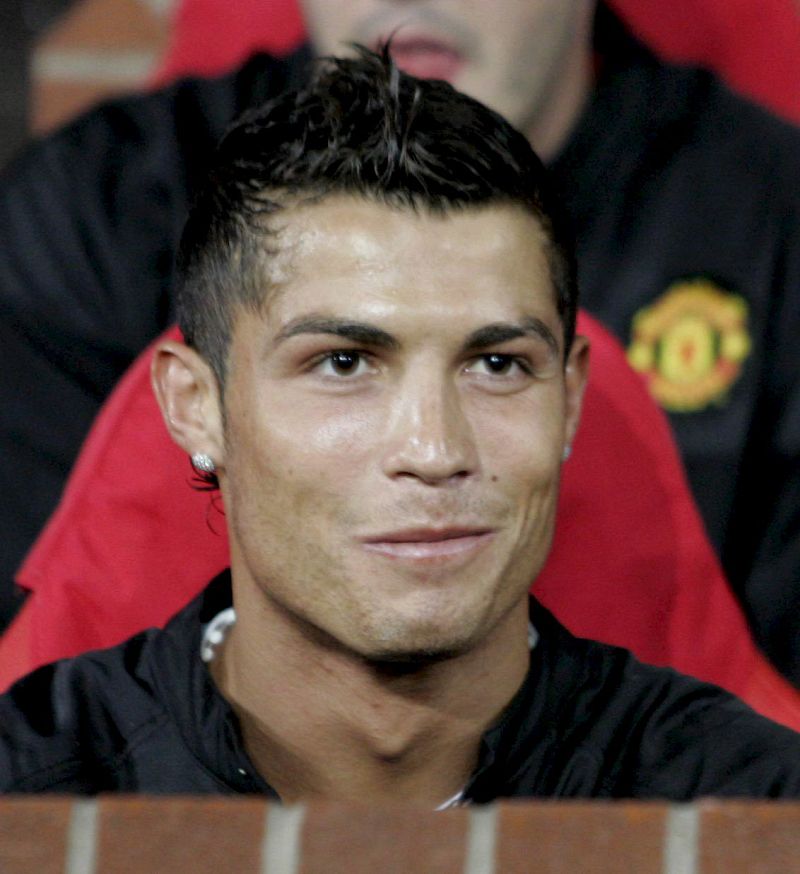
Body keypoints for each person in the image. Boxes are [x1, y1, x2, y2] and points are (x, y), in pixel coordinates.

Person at [2, 51, 799, 800]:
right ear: (194, 406)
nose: (434, 450)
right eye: (344, 363)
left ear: (571, 398)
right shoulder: (28, 794)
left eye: (497, 365)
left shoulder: (753, 810)